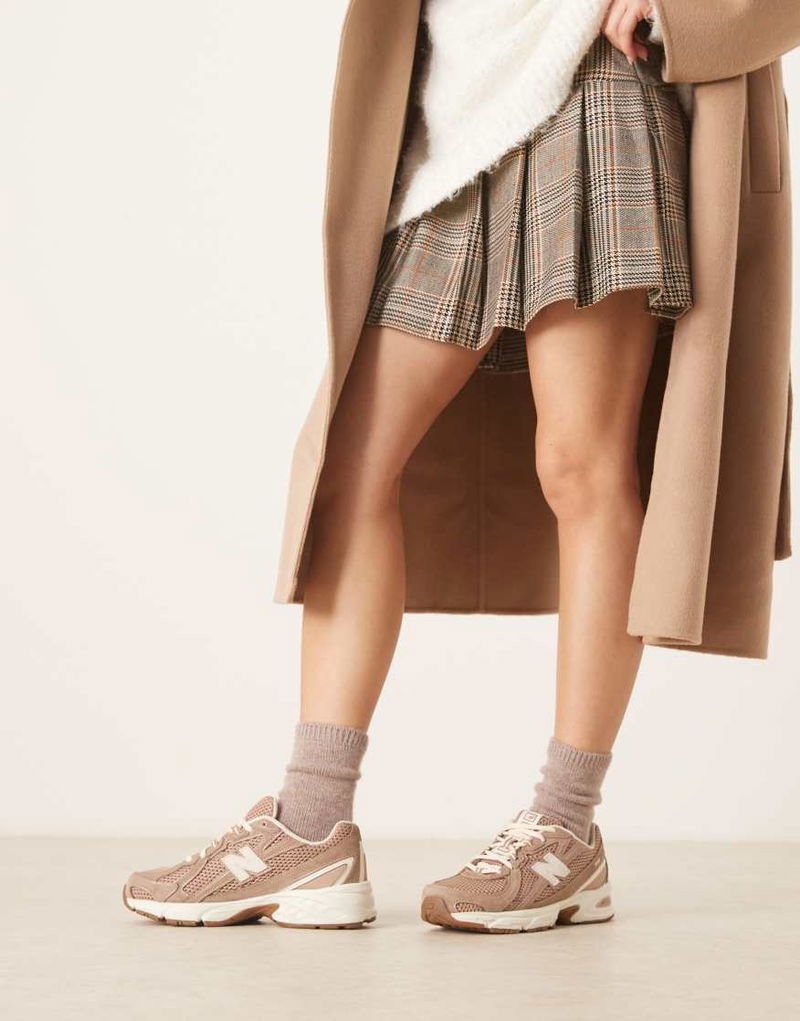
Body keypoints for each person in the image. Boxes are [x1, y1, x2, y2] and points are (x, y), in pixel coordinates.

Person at [123, 0, 797, 931]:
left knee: (581, 463)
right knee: (350, 467)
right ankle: (311, 826)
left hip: (593, 87)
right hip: (462, 107)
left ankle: (563, 827)